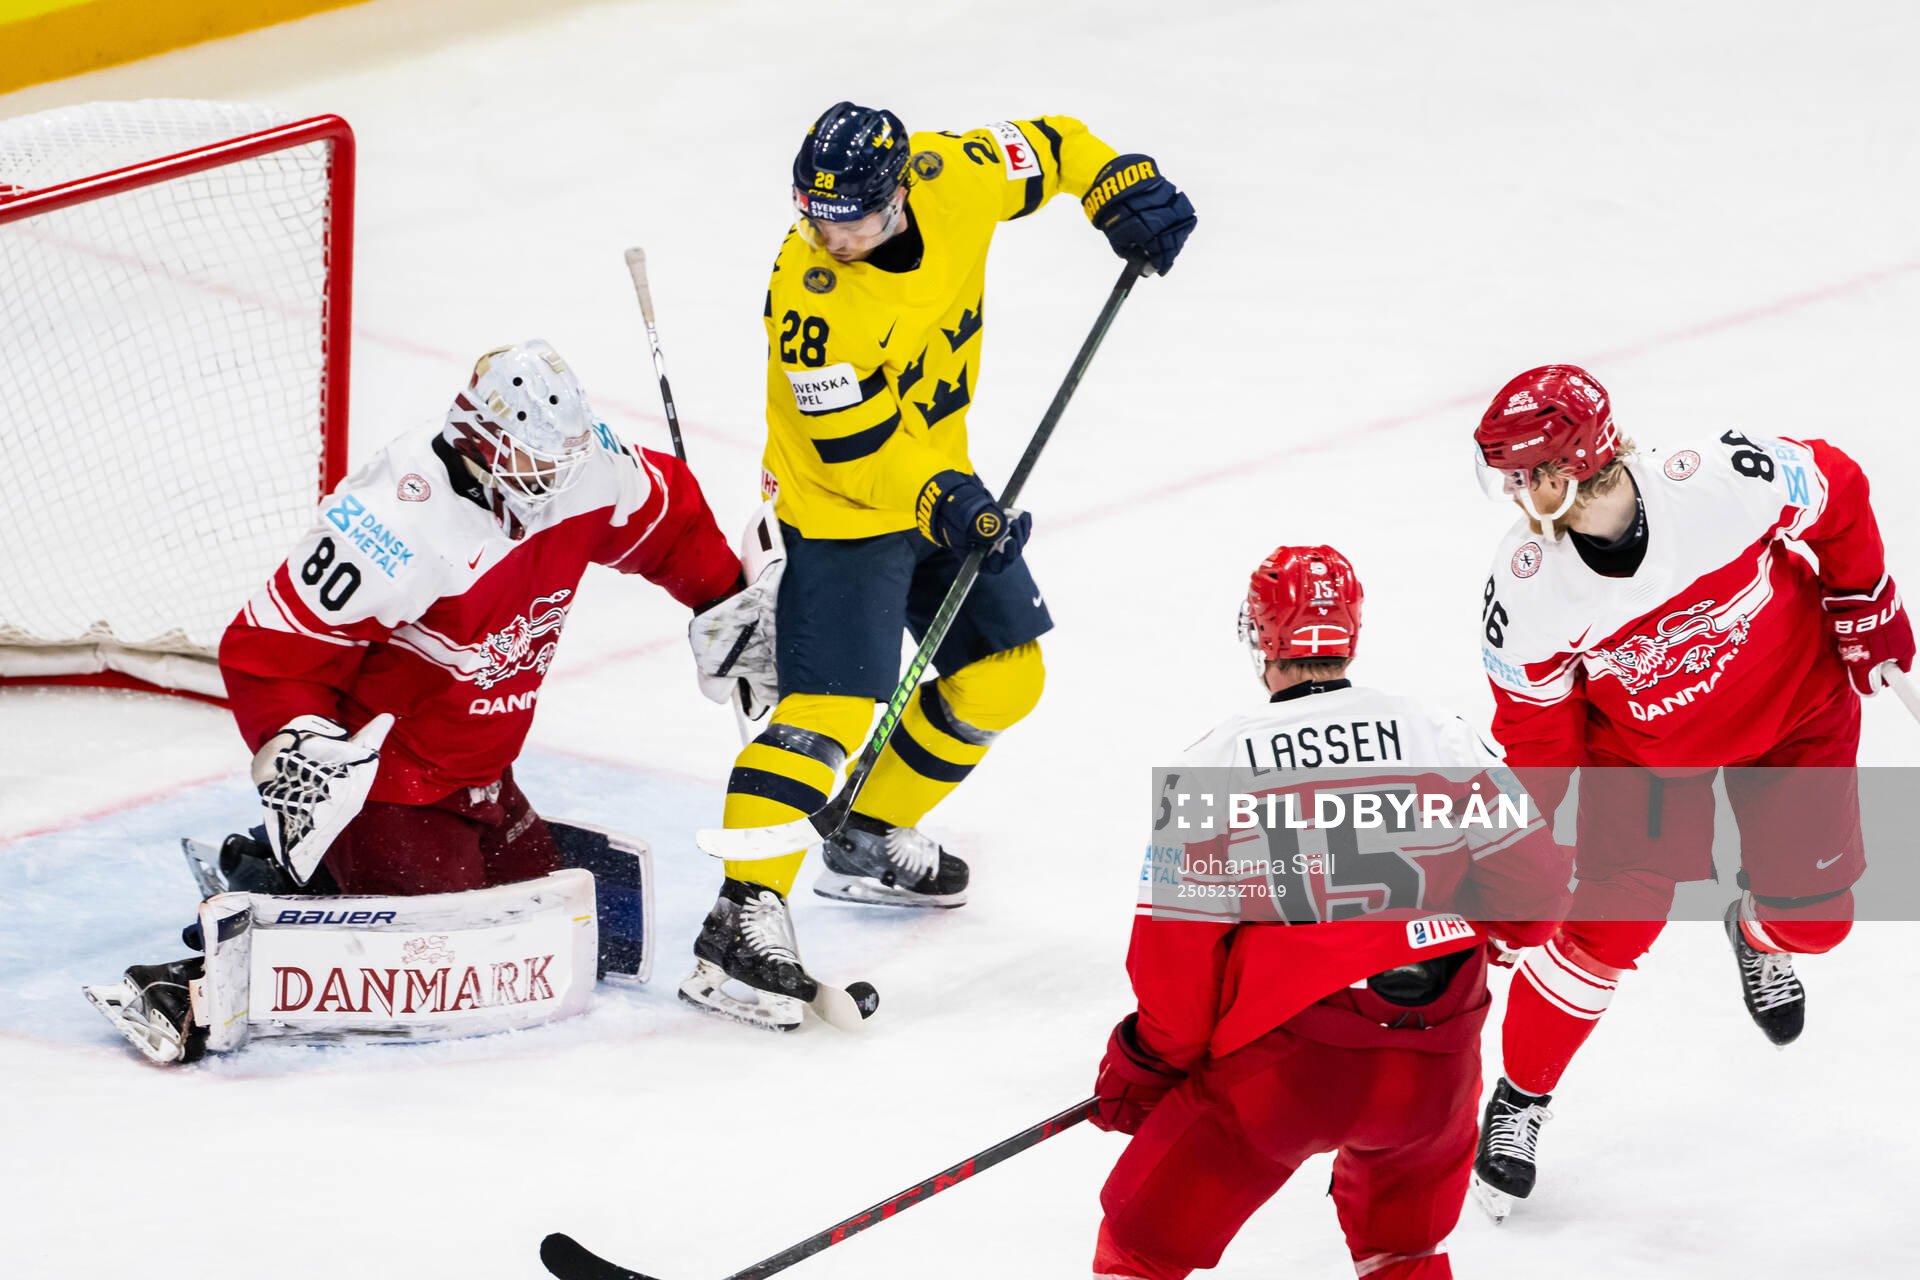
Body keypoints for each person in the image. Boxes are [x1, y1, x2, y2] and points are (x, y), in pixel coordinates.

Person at [680, 103, 1198, 1030]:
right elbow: (854, 450)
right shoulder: (812, 299)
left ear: (901, 193)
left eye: (852, 218)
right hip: (841, 511)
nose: (831, 237)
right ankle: (740, 914)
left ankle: (866, 831)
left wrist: (1115, 182)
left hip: (939, 485)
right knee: (833, 710)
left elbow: (1052, 143)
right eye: (815, 217)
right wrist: (946, 501)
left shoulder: (952, 174)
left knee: (1006, 677)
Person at [87, 339, 742, 1061]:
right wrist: (293, 741)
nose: (556, 477)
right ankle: (226, 947)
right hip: (386, 785)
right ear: (480, 441)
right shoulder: (392, 523)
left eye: (564, 456)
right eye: (534, 460)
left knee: (556, 937)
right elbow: (269, 647)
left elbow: (668, 519)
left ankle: (291, 874)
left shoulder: (585, 466)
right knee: (447, 961)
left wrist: (726, 602)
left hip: (480, 771)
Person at [1468, 364, 1914, 1212]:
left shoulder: (1713, 483)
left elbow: (1837, 486)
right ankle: (1520, 1100)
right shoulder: (1527, 586)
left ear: (1565, 473)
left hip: (1793, 712)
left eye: (1523, 476)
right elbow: (1536, 735)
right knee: (1605, 927)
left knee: (1818, 920)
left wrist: (1863, 597)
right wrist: (1528, 850)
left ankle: (1759, 931)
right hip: (1642, 762)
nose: (1514, 494)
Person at [1089, 546, 1572, 1280]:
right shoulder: (1436, 729)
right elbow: (1537, 900)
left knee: (1142, 1246)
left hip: (1288, 1074)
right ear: (1348, 632)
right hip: (1435, 1070)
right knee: (1403, 1253)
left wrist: (1147, 1066)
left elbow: (1175, 973)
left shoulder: (1217, 759)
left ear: (1260, 635)